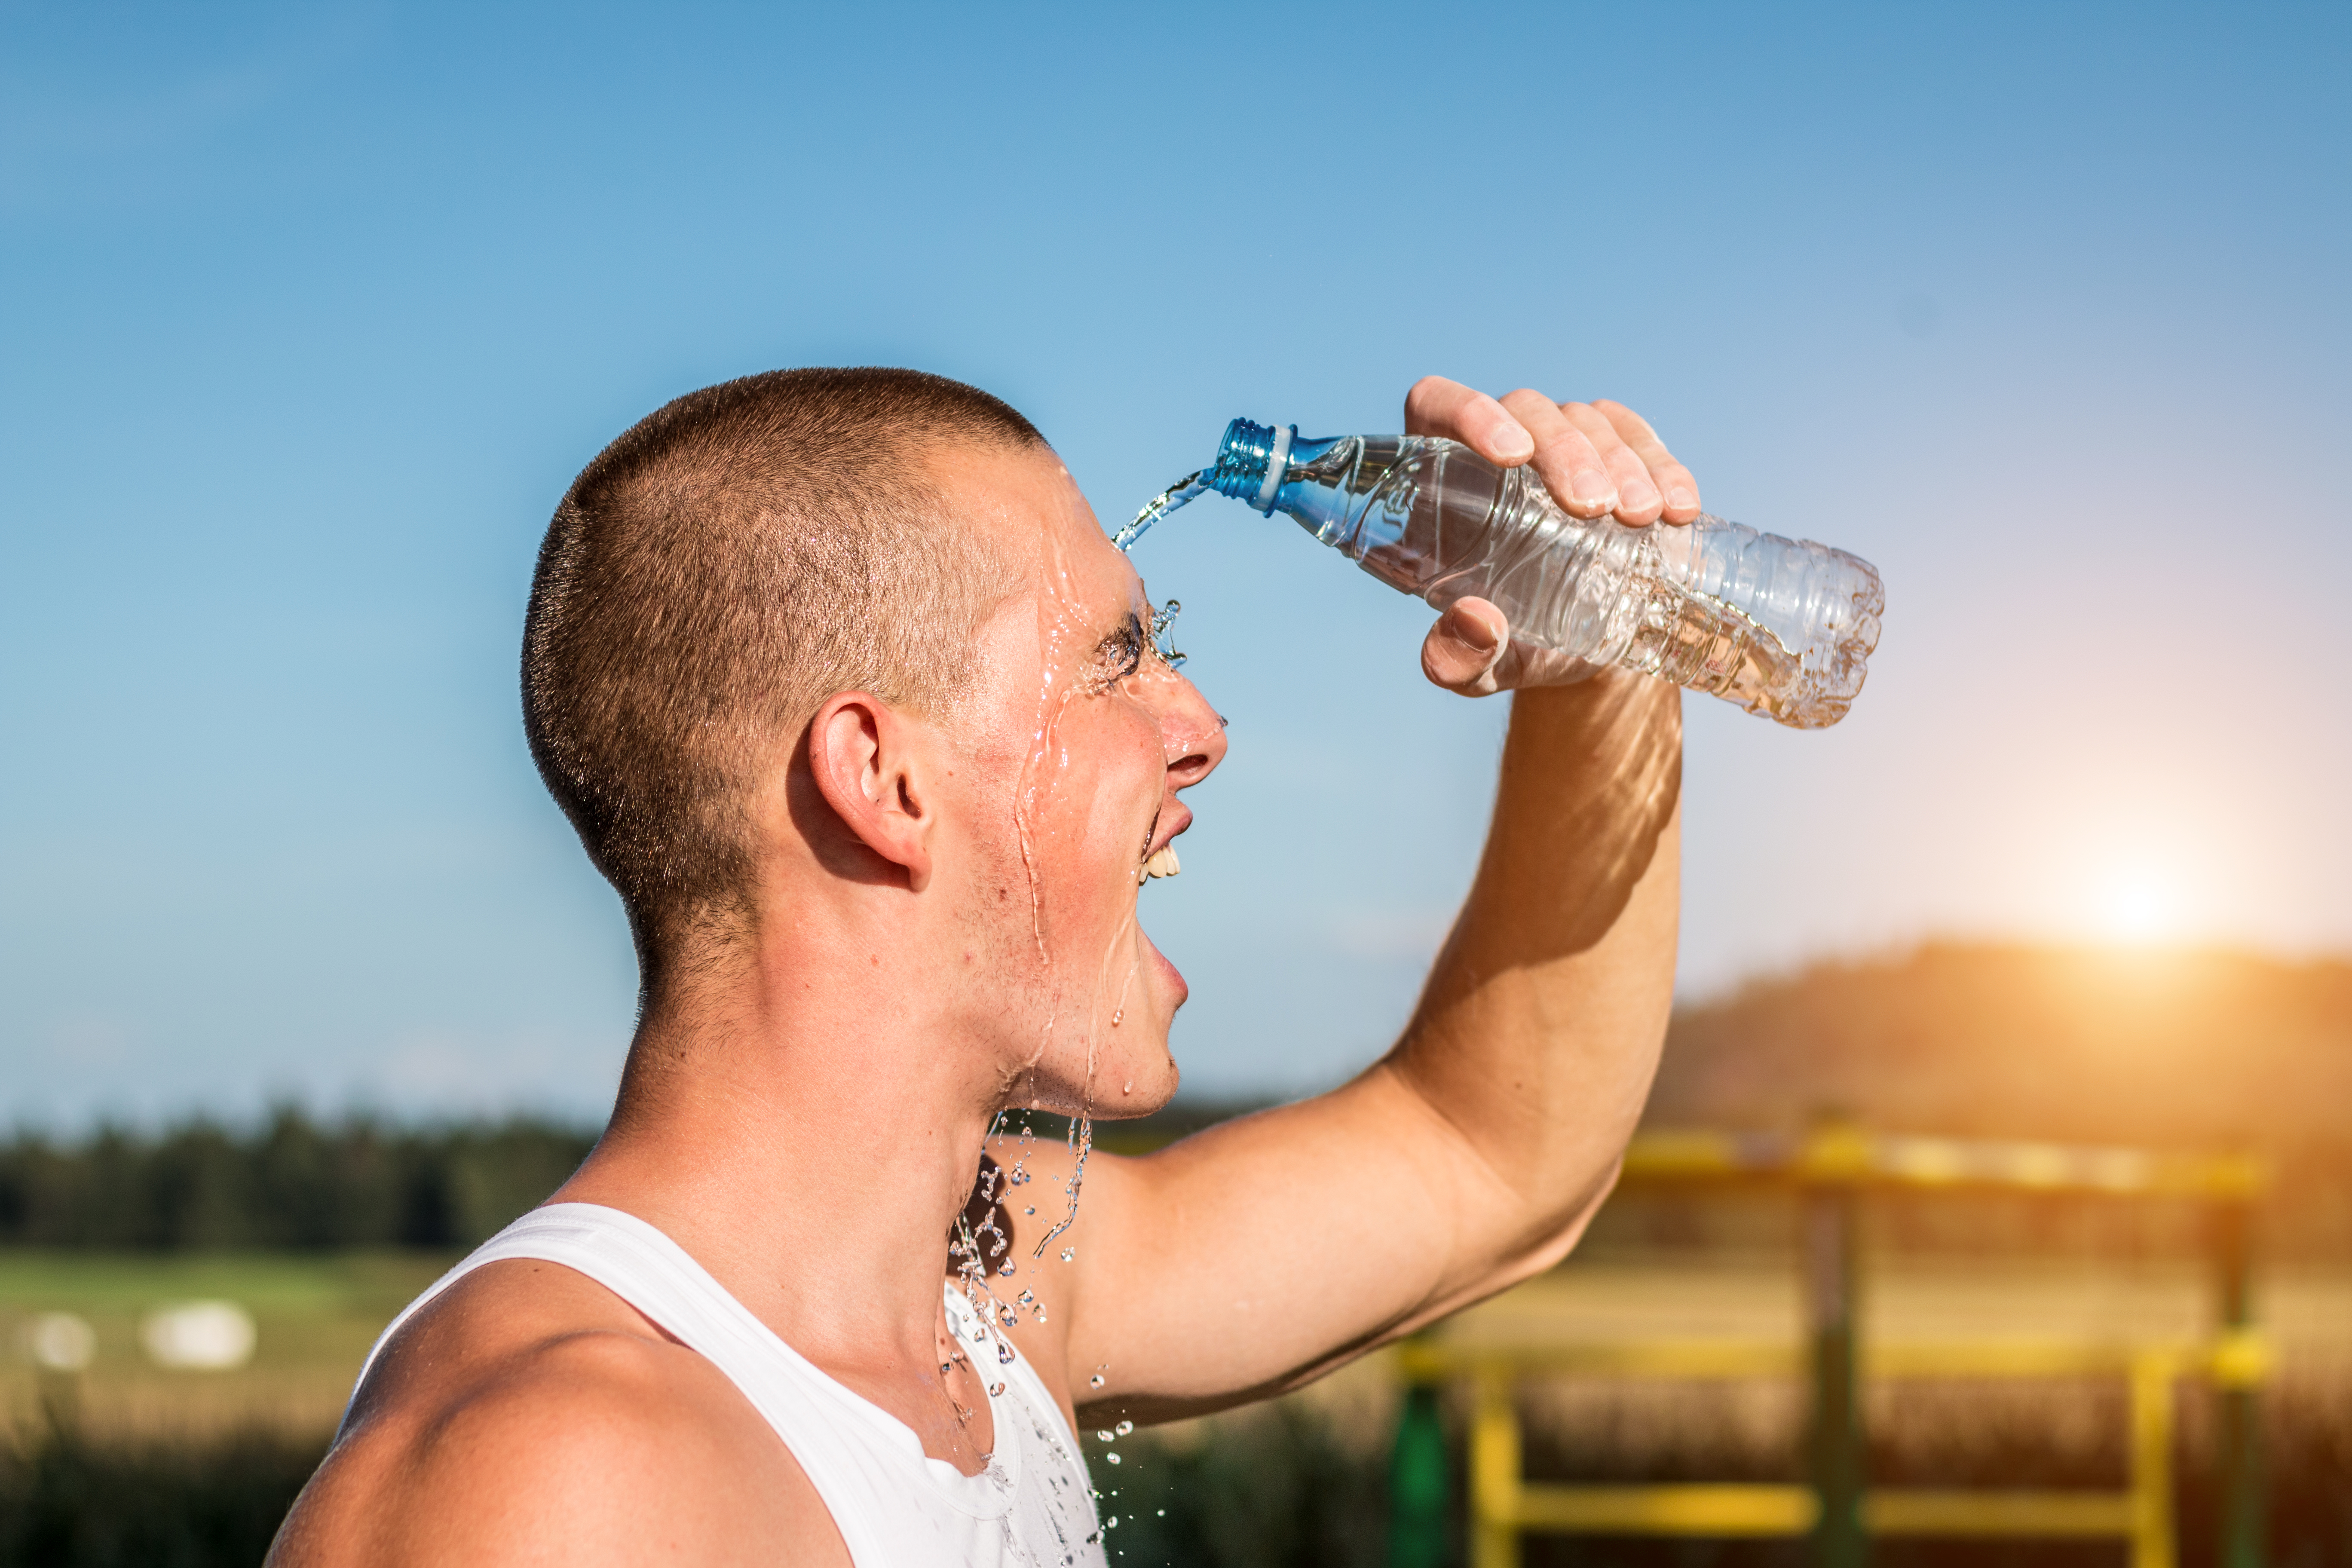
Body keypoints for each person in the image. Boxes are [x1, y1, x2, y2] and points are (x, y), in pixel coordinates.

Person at [268, 368, 1694, 1567]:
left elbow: (1493, 1155)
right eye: (1119, 655)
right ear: (884, 781)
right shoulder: (557, 1484)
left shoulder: (990, 1289)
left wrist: (1606, 652)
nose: (1198, 726)